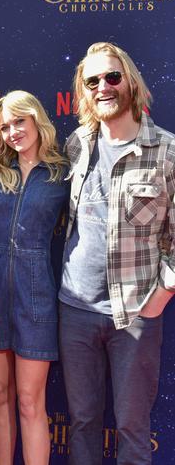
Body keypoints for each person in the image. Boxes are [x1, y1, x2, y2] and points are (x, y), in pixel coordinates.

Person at [59, 42, 175, 465]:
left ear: (130, 81)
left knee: (131, 426)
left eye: (112, 77)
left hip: (136, 315)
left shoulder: (166, 151)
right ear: (84, 92)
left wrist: (159, 298)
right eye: (93, 81)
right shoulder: (78, 144)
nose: (103, 87)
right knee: (83, 422)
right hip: (74, 309)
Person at [0, 90, 69, 465]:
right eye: (5, 127)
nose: (12, 132)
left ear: (36, 119)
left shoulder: (63, 173)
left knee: (30, 400)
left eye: (19, 122)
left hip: (37, 297)